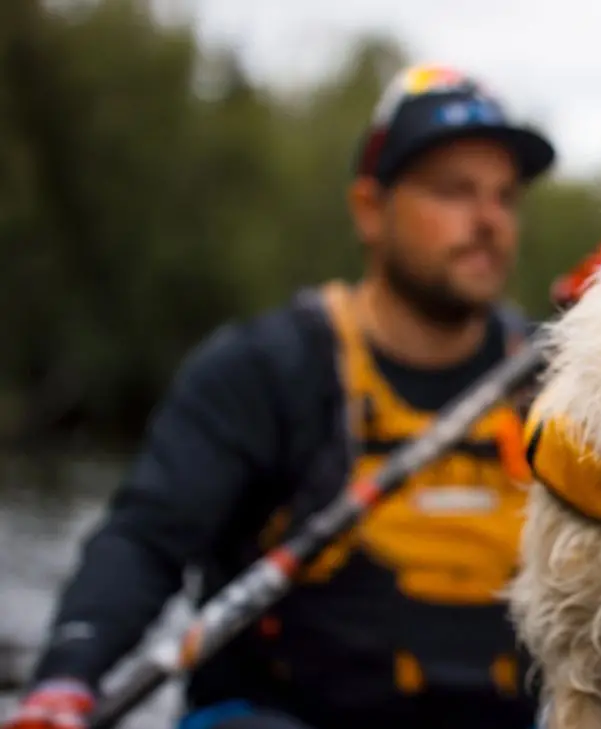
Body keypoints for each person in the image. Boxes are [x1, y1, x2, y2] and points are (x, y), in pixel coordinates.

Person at [3, 62, 556, 729]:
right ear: (369, 210)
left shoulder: (559, 381)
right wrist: (66, 680)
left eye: (504, 196)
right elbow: (146, 540)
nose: (488, 219)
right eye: (454, 191)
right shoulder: (267, 370)